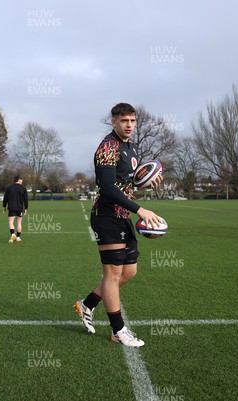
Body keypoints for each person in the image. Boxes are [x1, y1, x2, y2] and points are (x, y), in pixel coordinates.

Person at [74, 103, 163, 348]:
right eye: (124, 120)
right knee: (112, 275)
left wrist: (146, 182)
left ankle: (88, 304)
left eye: (133, 121)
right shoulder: (108, 147)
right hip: (106, 215)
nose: (129, 125)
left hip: (123, 215)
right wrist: (140, 209)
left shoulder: (131, 147)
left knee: (129, 272)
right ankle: (118, 330)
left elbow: (126, 182)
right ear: (113, 121)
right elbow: (109, 187)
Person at [2, 175, 28, 243]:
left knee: (11, 222)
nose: (22, 181)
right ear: (19, 180)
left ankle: (13, 234)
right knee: (19, 222)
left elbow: (5, 198)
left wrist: (4, 206)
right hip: (20, 208)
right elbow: (26, 200)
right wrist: (26, 208)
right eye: (21, 180)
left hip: (12, 208)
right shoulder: (23, 188)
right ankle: (18, 237)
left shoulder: (9, 187)